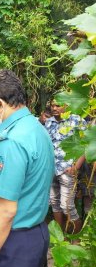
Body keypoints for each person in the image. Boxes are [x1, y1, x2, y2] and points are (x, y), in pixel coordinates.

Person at [0, 69, 54, 267]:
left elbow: (6, 210)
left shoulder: (11, 142)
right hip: (35, 232)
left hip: (12, 240)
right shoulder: (35, 128)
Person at [45, 99, 86, 234]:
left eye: (58, 105)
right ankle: (61, 237)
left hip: (68, 170)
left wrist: (76, 166)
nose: (54, 108)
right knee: (55, 204)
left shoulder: (76, 121)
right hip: (51, 170)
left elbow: (86, 144)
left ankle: (76, 238)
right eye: (52, 105)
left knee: (67, 206)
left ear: (66, 105)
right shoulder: (49, 122)